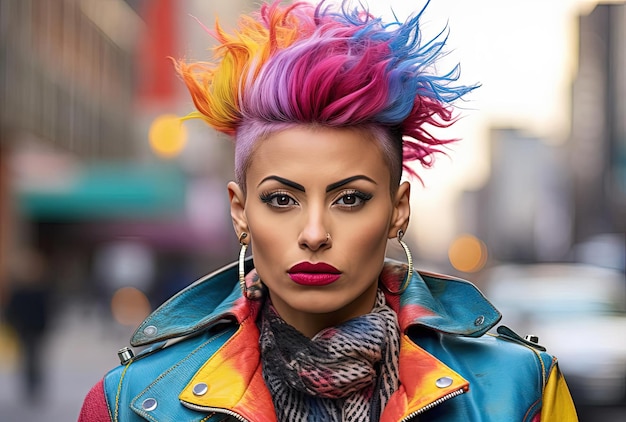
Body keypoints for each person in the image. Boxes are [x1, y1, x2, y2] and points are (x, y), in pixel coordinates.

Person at [79, 1, 578, 420]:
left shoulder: (521, 392)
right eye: (281, 200)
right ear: (239, 212)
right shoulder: (132, 404)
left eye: (350, 199)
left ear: (398, 211)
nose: (314, 233)